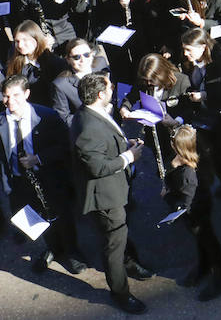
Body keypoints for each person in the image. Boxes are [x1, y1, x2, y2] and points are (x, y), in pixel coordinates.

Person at [71, 72, 152, 315]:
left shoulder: (91, 114)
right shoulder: (88, 126)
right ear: (100, 94)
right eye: (109, 88)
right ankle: (120, 293)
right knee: (113, 244)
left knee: (118, 238)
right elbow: (97, 167)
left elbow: (101, 147)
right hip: (106, 197)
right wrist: (129, 157)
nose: (113, 90)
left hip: (114, 190)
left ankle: (127, 264)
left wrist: (123, 145)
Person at [2, 75, 83, 275]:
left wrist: (38, 158)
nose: (10, 101)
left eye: (16, 95)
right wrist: (7, 187)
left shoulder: (47, 116)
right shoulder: (1, 121)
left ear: (27, 93)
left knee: (62, 215)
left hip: (48, 177)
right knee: (35, 219)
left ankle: (71, 251)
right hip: (19, 182)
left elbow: (65, 146)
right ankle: (53, 248)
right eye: (6, 96)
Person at [163, 124, 221, 300]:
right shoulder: (197, 159)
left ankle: (219, 276)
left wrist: (167, 196)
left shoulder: (186, 173)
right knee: (203, 240)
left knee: (208, 240)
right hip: (202, 205)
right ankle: (205, 265)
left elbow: (184, 204)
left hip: (196, 212)